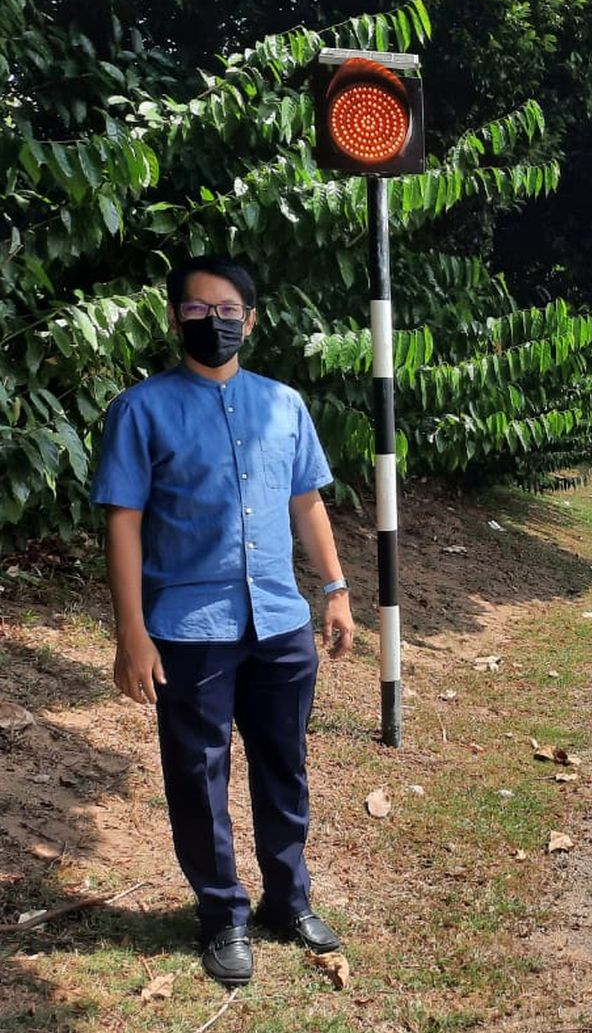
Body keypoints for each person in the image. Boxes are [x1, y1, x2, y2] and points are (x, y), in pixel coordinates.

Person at [92, 255, 355, 986]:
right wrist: (131, 632)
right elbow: (124, 522)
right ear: (175, 318)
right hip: (187, 627)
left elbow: (307, 501)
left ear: (252, 318)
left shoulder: (284, 404)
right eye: (199, 310)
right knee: (198, 777)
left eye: (229, 309)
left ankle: (286, 900)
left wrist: (334, 589)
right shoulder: (140, 410)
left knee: (285, 766)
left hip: (278, 622)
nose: (216, 321)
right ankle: (221, 915)